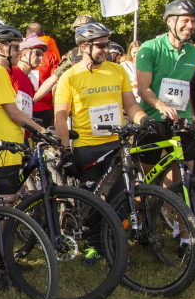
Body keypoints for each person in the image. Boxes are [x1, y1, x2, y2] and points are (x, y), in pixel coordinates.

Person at [54, 22, 156, 196]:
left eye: (108, 44)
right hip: (87, 148)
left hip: (116, 144)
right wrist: (64, 152)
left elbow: (130, 104)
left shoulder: (118, 71)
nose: (107, 49)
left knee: (122, 201)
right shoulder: (69, 77)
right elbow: (61, 116)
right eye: (101, 45)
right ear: (84, 47)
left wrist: (145, 120)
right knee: (91, 211)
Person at [135, 0, 195, 183]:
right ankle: (142, 211)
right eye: (185, 21)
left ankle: (179, 211)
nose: (190, 26)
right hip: (155, 120)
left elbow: (190, 89)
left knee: (183, 179)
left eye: (193, 22)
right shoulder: (150, 48)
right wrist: (161, 106)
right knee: (147, 181)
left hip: (183, 121)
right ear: (170, 21)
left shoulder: (193, 52)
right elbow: (143, 88)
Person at [0, 24, 44, 200]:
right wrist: (42, 132)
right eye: (14, 47)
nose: (19, 53)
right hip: (4, 152)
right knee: (3, 207)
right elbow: (13, 112)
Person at [14, 34, 48, 124]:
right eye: (37, 53)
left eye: (42, 55)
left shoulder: (30, 83)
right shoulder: (11, 72)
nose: (41, 58)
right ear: (24, 54)